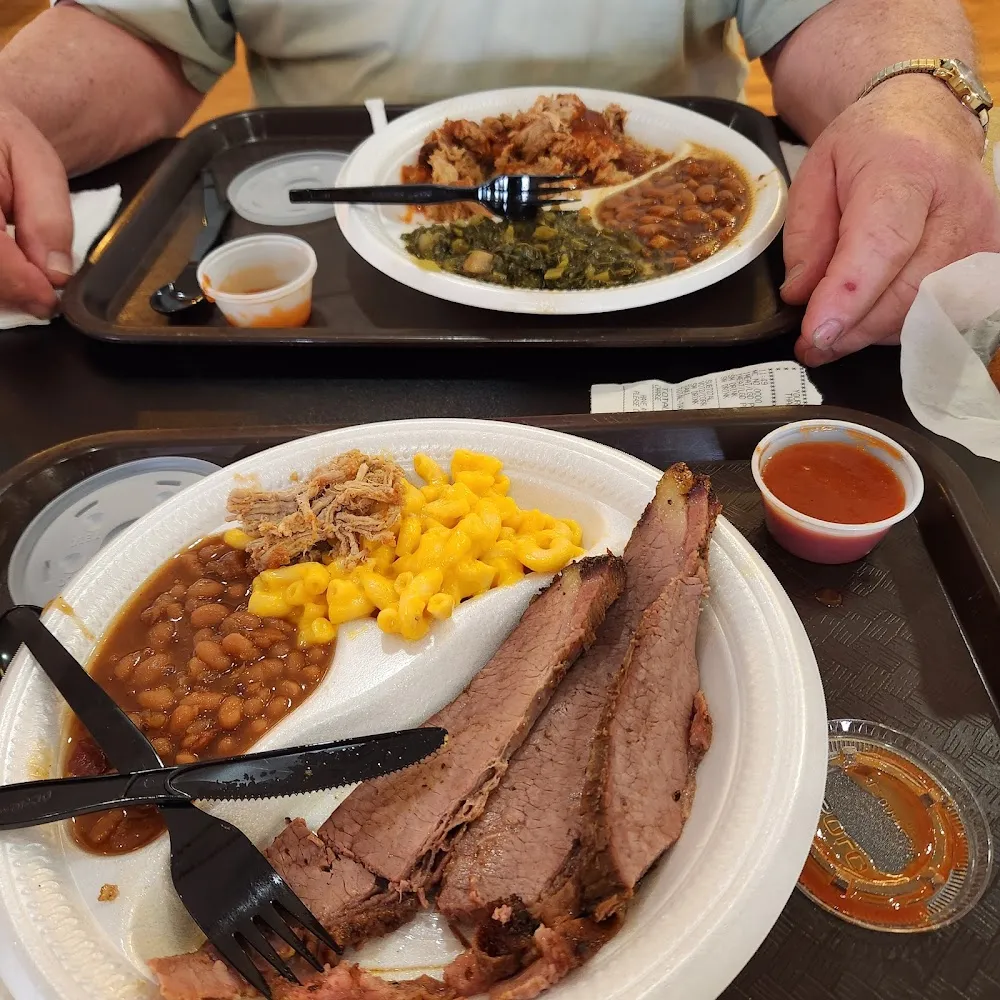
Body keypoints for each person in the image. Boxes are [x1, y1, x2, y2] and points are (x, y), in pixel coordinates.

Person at [0, 0, 997, 366]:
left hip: (685, 327)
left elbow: (851, 10)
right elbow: (137, 31)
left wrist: (913, 101)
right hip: (337, 316)